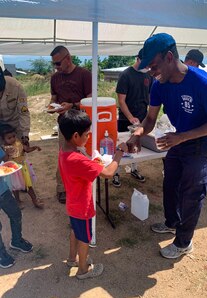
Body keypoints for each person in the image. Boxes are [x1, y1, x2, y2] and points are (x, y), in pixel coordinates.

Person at [127, 33, 207, 259]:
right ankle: (172, 222)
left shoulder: (204, 83)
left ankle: (183, 242)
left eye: (153, 66)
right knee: (170, 182)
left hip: (201, 141)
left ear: (169, 57)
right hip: (178, 137)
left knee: (192, 191)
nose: (151, 73)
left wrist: (182, 137)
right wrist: (138, 134)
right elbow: (150, 119)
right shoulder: (159, 85)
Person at [58, 109, 127, 279]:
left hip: (73, 204)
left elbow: (83, 166)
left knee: (75, 231)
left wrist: (91, 161)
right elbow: (109, 173)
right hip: (83, 206)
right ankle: (83, 270)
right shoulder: (77, 159)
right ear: (76, 136)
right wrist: (119, 152)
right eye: (87, 135)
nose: (88, 137)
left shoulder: (65, 151)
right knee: (85, 238)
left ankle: (71, 259)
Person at [49, 46, 92, 204]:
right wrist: (51, 106)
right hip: (64, 124)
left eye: (58, 63)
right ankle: (61, 188)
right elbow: (53, 97)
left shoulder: (84, 74)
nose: (56, 67)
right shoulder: (55, 78)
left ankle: (81, 184)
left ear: (68, 58)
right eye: (54, 64)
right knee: (65, 156)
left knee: (83, 154)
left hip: (81, 123)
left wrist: (72, 105)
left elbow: (90, 99)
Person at [112, 48, 153, 187]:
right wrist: (130, 117)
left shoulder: (149, 76)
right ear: (138, 59)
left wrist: (149, 116)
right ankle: (115, 172)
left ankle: (134, 169)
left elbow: (150, 96)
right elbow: (121, 100)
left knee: (136, 146)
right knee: (122, 145)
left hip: (142, 118)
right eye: (146, 64)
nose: (148, 67)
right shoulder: (126, 75)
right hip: (125, 119)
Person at [0, 147, 33, 269]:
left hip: (3, 190)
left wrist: (7, 158)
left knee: (16, 214)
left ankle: (16, 241)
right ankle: (1, 254)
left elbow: (4, 159)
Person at [0, 124, 44, 209]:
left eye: (13, 136)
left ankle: (35, 200)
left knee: (29, 184)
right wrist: (7, 153)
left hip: (24, 168)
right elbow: (5, 160)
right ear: (3, 139)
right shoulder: (4, 148)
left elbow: (27, 150)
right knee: (15, 187)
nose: (12, 139)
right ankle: (17, 201)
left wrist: (35, 147)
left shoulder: (18, 143)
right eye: (9, 138)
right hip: (13, 170)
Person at [0, 66, 30, 147]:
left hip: (15, 127)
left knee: (18, 153)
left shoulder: (15, 86)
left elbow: (23, 112)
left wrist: (25, 135)